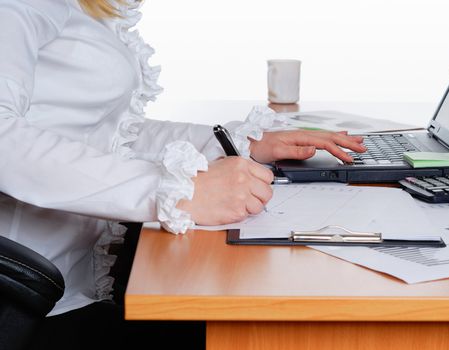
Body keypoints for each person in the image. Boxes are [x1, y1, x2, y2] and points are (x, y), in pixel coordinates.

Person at [0, 0, 366, 348]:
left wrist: (243, 142)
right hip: (27, 309)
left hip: (69, 288)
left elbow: (113, 135)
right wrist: (174, 192)